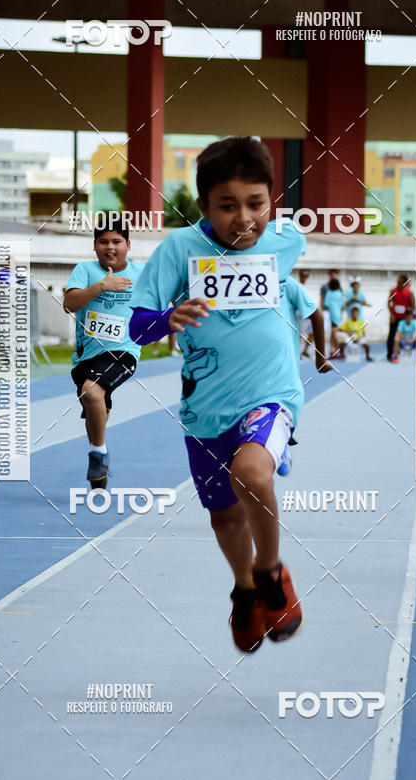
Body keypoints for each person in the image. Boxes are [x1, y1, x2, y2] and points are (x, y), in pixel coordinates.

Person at [129, 137, 308, 653]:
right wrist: (168, 317)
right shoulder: (178, 250)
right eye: (228, 206)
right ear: (203, 204)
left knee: (251, 473)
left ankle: (270, 573)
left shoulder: (287, 241)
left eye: (256, 204)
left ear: (272, 200)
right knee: (225, 516)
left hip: (271, 394)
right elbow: (138, 327)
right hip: (205, 411)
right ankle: (245, 588)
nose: (244, 219)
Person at [63, 215, 143, 489]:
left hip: (124, 351)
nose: (110, 247)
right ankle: (99, 461)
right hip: (85, 355)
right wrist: (101, 287)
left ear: (128, 245)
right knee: (94, 403)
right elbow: (69, 304)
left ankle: (98, 454)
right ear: (95, 245)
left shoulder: (141, 273)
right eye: (104, 241)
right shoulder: (84, 270)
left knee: (91, 391)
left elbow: (163, 300)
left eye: (117, 241)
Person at [277, 274, 330, 475]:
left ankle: (282, 439)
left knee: (280, 402)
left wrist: (320, 358)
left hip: (283, 364)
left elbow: (316, 314)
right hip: (245, 361)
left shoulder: (286, 283)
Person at [386, 273, 415, 362]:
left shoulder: (409, 293)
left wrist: (410, 315)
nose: (399, 284)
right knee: (391, 336)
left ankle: (404, 353)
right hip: (395, 317)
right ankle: (390, 355)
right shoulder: (393, 291)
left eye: (401, 282)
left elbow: (412, 304)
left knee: (404, 335)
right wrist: (391, 314)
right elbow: (389, 302)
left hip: (404, 318)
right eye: (398, 282)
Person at [323, 277, 345, 360]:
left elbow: (326, 304)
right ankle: (333, 352)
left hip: (332, 315)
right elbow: (341, 305)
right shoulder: (339, 293)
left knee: (334, 334)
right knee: (332, 334)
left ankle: (341, 351)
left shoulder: (329, 293)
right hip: (338, 314)